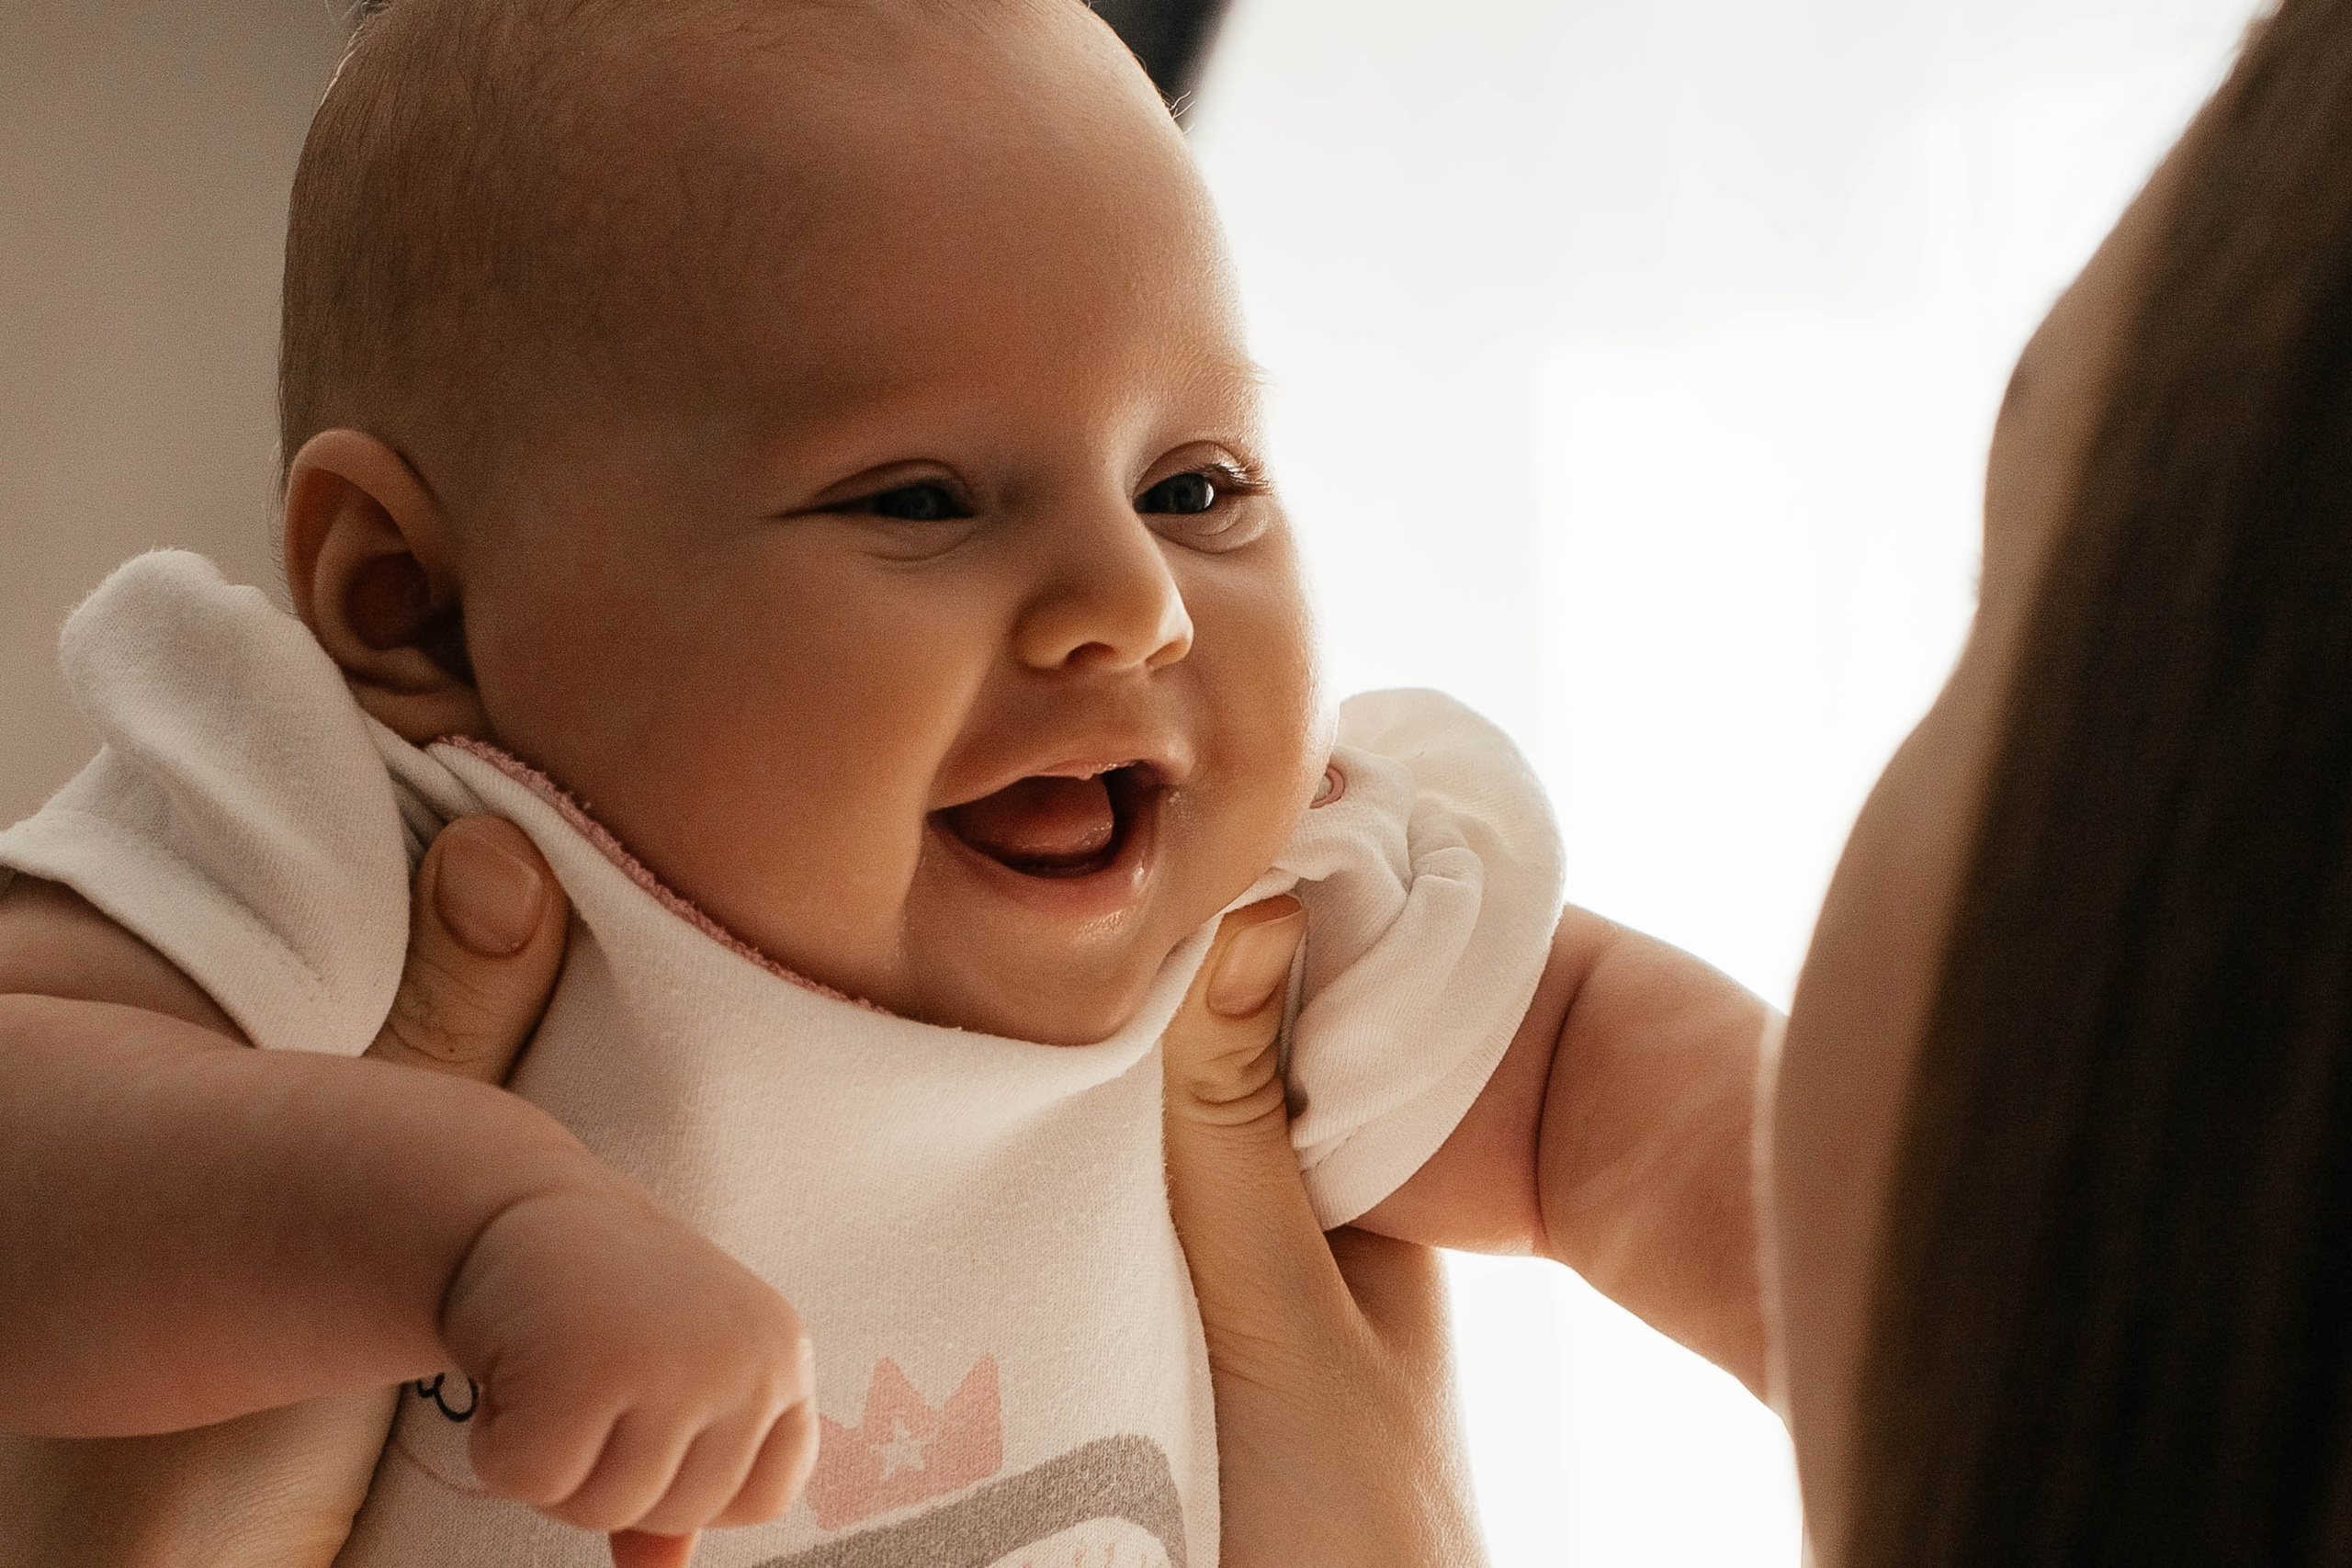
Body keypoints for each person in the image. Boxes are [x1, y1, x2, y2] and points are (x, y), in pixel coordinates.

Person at [0, 0, 1773, 1562]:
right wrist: (457, 1230)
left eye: (1196, 487)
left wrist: (1887, 1319)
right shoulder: (364, 848)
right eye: (920, 499)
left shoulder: (1266, 917)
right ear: (414, 599)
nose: (1132, 603)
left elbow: (1602, 1098)